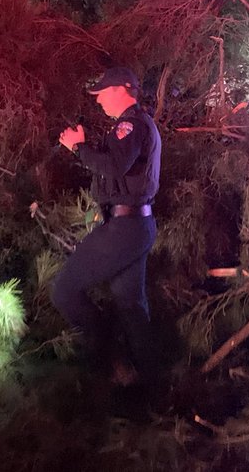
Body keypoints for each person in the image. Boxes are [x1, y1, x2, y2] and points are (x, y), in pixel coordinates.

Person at [51, 66, 160, 384]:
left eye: (101, 94)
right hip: (137, 226)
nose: (98, 101)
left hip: (125, 229)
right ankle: (153, 389)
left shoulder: (130, 124)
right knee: (132, 308)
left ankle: (106, 360)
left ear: (120, 90)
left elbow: (113, 166)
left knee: (64, 291)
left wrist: (78, 147)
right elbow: (117, 167)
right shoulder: (140, 125)